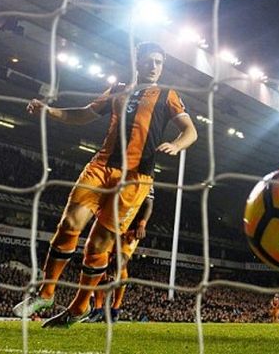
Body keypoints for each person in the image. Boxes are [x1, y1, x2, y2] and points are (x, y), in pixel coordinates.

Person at [13, 41, 198, 327]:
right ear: (137, 61)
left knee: (98, 246)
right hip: (100, 167)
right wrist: (50, 111)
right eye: (148, 61)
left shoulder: (167, 95)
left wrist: (176, 145)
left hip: (135, 178)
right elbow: (85, 113)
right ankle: (46, 293)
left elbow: (190, 130)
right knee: (70, 224)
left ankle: (78, 308)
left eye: (158, 62)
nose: (153, 66)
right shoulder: (118, 89)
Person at [86, 188, 154, 323]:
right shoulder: (115, 173)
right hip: (110, 225)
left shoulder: (144, 175)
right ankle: (98, 309)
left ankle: (115, 309)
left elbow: (148, 203)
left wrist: (141, 225)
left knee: (119, 262)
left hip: (130, 230)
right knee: (99, 263)